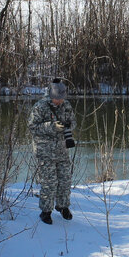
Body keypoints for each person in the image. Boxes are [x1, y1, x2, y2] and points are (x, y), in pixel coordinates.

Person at [28, 78, 75, 224]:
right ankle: (46, 211)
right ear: (51, 96)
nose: (59, 101)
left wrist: (68, 125)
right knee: (49, 182)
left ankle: (63, 207)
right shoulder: (40, 106)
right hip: (45, 151)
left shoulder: (66, 105)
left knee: (65, 180)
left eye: (61, 98)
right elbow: (32, 127)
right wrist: (52, 126)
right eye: (57, 99)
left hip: (61, 150)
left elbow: (74, 122)